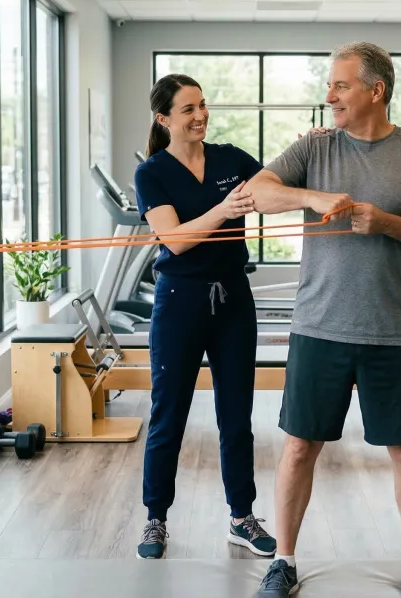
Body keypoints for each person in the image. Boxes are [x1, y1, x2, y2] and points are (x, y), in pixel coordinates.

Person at [245, 42, 401, 598]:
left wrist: (387, 222)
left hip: (393, 332)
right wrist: (313, 198)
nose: (330, 95)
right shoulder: (315, 148)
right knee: (298, 447)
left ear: (375, 90)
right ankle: (284, 561)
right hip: (319, 326)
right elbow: (258, 193)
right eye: (330, 86)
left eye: (339, 86)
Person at [131, 73, 276, 560]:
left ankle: (241, 516)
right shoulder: (151, 174)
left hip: (233, 298)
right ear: (163, 118)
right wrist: (225, 208)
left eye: (203, 105)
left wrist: (308, 153)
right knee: (167, 415)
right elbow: (174, 239)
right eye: (188, 108)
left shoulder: (232, 159)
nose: (200, 116)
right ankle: (156, 518)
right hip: (181, 301)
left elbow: (274, 188)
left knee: (236, 416)